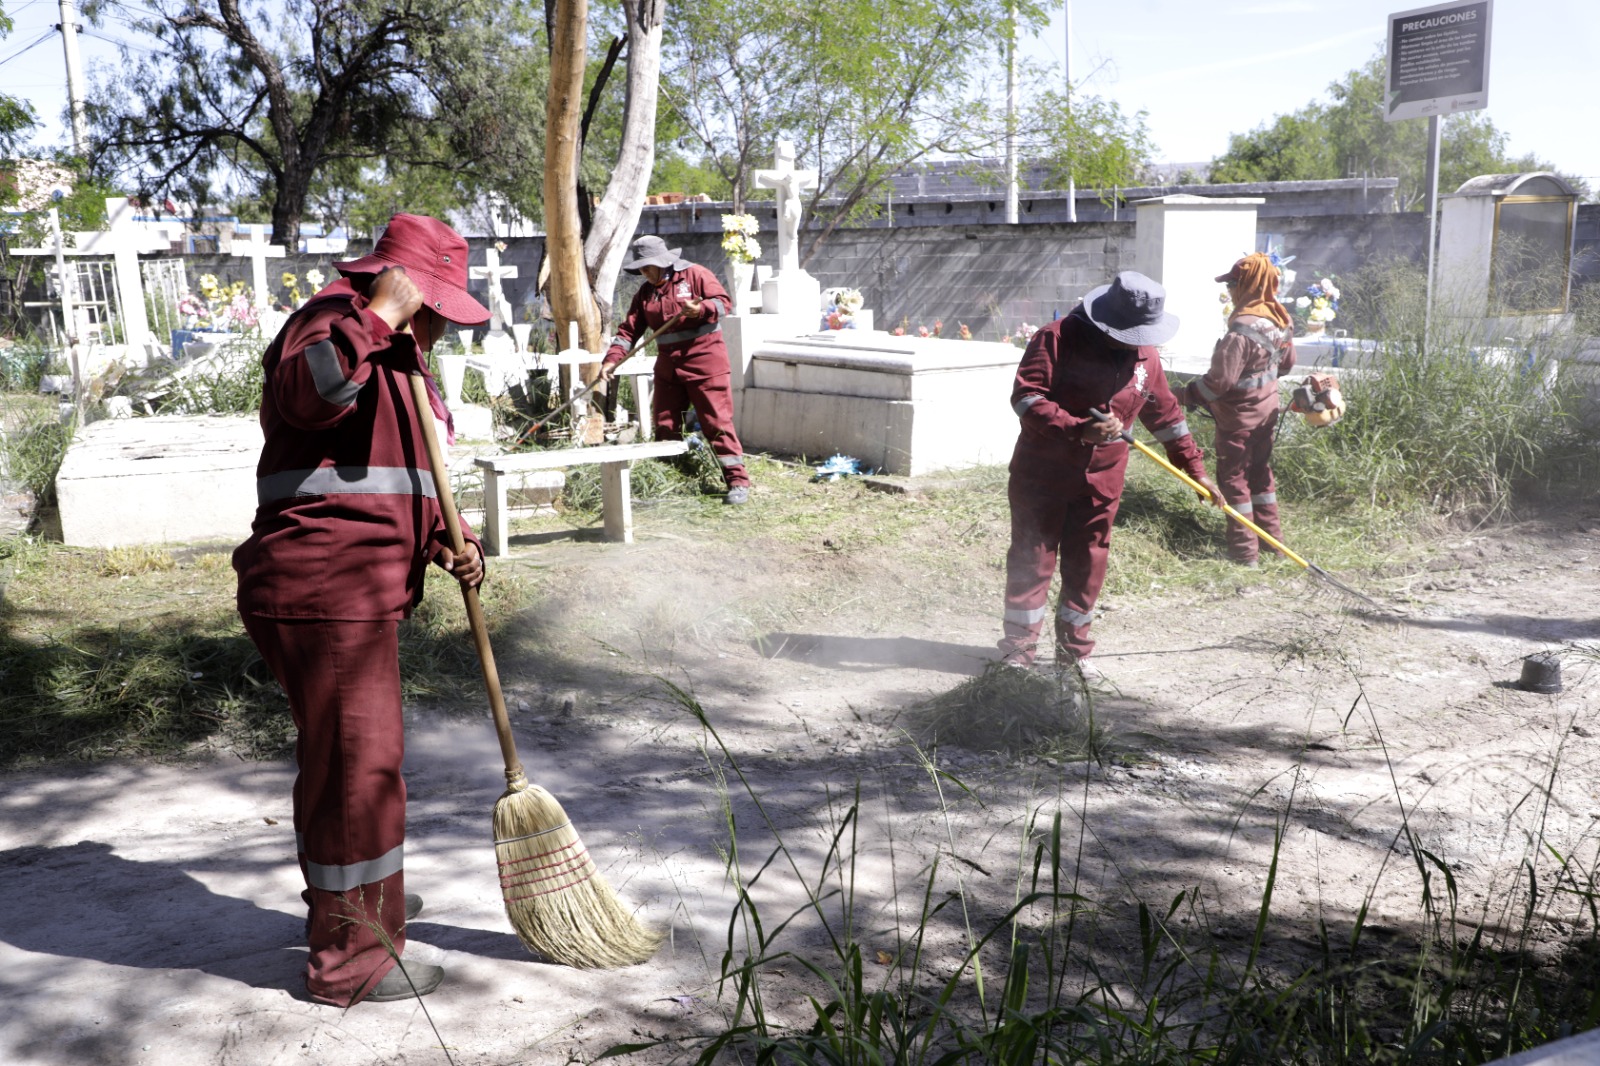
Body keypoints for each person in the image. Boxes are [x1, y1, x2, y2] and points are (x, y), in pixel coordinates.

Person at [232, 214, 489, 1006]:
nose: (443, 322)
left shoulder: (397, 355)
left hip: (354, 590)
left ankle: (356, 907)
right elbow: (309, 400)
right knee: (359, 778)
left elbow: (401, 471)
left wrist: (450, 535)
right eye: (435, 303)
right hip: (324, 587)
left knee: (344, 769)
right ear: (403, 286)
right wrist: (379, 316)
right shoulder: (334, 325)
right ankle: (354, 957)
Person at [997, 271, 1222, 681]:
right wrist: (1077, 428)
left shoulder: (1145, 356)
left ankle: (1074, 653)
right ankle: (1017, 656)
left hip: (1101, 482)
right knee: (1033, 558)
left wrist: (1196, 470)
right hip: (1042, 474)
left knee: (1088, 563)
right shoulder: (1056, 337)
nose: (1136, 341)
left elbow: (1167, 416)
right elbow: (1026, 397)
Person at [598, 235, 752, 504]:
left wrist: (701, 308)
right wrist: (612, 359)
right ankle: (670, 479)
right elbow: (628, 332)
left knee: (716, 423)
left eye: (648, 267)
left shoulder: (695, 275)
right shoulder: (645, 293)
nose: (644, 273)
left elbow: (723, 302)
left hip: (706, 363)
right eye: (641, 268)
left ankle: (736, 481)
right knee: (666, 425)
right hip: (669, 368)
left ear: (663, 261)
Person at [1183, 253, 1297, 566]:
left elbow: (1218, 383)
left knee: (1234, 481)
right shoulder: (1281, 320)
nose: (1231, 290)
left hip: (1238, 421)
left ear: (1246, 284)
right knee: (1261, 478)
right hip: (1266, 416)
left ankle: (1245, 554)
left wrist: (1184, 395)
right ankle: (1274, 547)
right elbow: (1286, 366)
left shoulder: (1240, 332)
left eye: (1234, 283)